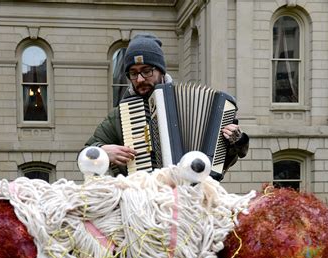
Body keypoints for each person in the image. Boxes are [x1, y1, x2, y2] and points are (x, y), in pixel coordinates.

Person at [84, 34, 249, 179]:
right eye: (133, 73)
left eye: (146, 71)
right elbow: (85, 153)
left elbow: (223, 160)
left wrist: (238, 142)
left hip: (191, 197)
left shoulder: (194, 104)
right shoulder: (119, 115)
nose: (140, 79)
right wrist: (102, 151)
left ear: (161, 72)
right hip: (145, 201)